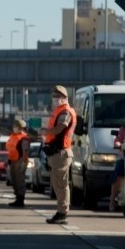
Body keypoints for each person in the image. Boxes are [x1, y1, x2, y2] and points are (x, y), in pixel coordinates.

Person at [43, 84, 77, 225]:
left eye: (58, 96)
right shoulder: (59, 110)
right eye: (54, 96)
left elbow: (61, 127)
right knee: (58, 183)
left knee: (61, 184)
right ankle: (61, 211)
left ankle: (62, 213)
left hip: (61, 152)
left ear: (65, 97)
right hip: (57, 152)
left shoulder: (65, 112)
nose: (55, 98)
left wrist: (45, 131)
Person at [109, 107, 125, 211]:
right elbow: (118, 140)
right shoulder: (123, 130)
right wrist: (119, 145)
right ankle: (112, 199)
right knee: (119, 173)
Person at [6, 118, 31, 207]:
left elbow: (25, 150)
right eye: (14, 126)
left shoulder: (24, 138)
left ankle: (20, 199)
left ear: (21, 128)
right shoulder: (12, 136)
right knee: (14, 180)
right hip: (12, 161)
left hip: (20, 161)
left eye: (16, 126)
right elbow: (10, 149)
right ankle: (17, 197)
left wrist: (24, 162)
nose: (15, 128)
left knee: (20, 181)